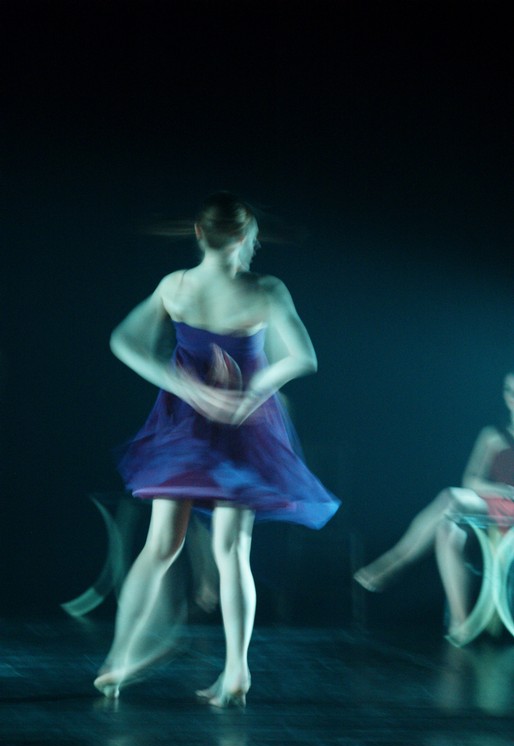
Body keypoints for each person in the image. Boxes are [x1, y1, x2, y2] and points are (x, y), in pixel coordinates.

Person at [94, 192, 340, 705]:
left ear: (199, 233)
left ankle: (117, 660)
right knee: (232, 553)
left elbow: (123, 340)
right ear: (247, 237)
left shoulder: (176, 286)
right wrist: (251, 392)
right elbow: (304, 357)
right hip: (239, 431)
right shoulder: (265, 289)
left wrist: (183, 386)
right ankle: (235, 672)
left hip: (183, 429)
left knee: (160, 547)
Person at [354, 371, 514, 642]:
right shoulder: (493, 436)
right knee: (448, 526)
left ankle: (396, 562)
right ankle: (461, 624)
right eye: (509, 391)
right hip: (495, 503)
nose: (513, 397)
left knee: (451, 500)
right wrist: (504, 490)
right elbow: (471, 479)